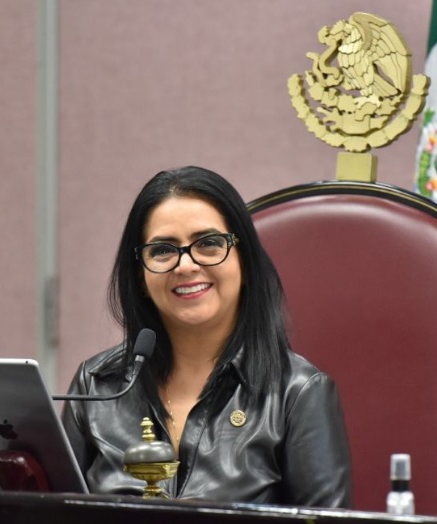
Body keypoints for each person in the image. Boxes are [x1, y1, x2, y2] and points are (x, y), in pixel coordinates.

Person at [61, 166, 351, 507]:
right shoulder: (96, 386)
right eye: (163, 250)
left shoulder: (298, 393)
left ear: (245, 263)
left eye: (209, 243)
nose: (186, 265)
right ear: (141, 277)